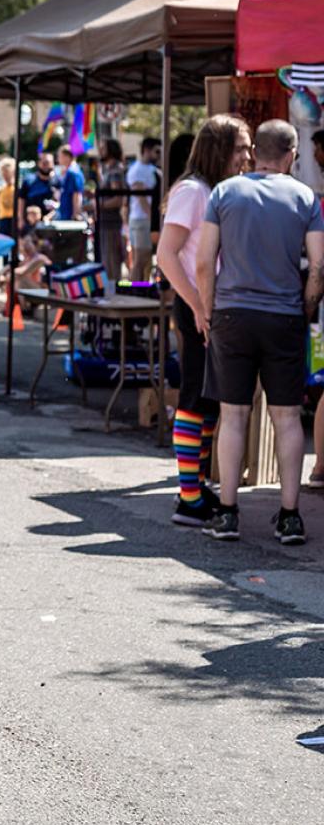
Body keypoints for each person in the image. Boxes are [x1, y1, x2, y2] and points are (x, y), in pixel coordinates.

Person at [196, 120, 324, 546]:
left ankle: (228, 512)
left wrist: (210, 309)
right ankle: (289, 516)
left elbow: (203, 261)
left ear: (256, 154)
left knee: (233, 415)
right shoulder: (306, 197)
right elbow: (319, 267)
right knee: (287, 418)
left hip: (232, 314)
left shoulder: (224, 193)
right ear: (290, 154)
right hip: (284, 318)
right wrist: (305, 307)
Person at [155, 116, 252, 528]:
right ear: (219, 149)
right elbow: (166, 255)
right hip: (197, 308)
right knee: (195, 397)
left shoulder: (212, 191)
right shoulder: (193, 191)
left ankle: (195, 488)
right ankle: (188, 496)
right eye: (240, 148)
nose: (247, 157)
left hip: (209, 308)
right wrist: (196, 305)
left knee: (208, 399)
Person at [126, 137, 162, 280]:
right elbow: (141, 199)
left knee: (145, 261)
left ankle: (142, 289)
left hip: (143, 220)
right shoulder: (137, 170)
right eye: (157, 151)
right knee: (140, 260)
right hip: (142, 220)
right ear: (147, 150)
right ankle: (134, 291)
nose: (159, 154)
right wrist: (154, 220)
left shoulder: (153, 169)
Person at [95, 139, 128, 278]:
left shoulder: (115, 171)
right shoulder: (109, 170)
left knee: (111, 263)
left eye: (103, 148)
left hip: (111, 223)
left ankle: (114, 295)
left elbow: (118, 198)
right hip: (106, 222)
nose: (100, 151)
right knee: (107, 262)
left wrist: (97, 205)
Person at [19, 150, 57, 215]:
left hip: (52, 221)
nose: (46, 166)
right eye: (43, 163)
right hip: (31, 222)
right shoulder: (29, 180)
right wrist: (20, 219)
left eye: (48, 163)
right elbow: (21, 200)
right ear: (39, 163)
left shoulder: (58, 181)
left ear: (53, 164)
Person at [56, 147, 86, 221]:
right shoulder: (69, 171)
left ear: (67, 157)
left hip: (70, 216)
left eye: (60, 156)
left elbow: (77, 194)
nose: (58, 159)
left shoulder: (73, 173)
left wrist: (76, 214)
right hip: (65, 214)